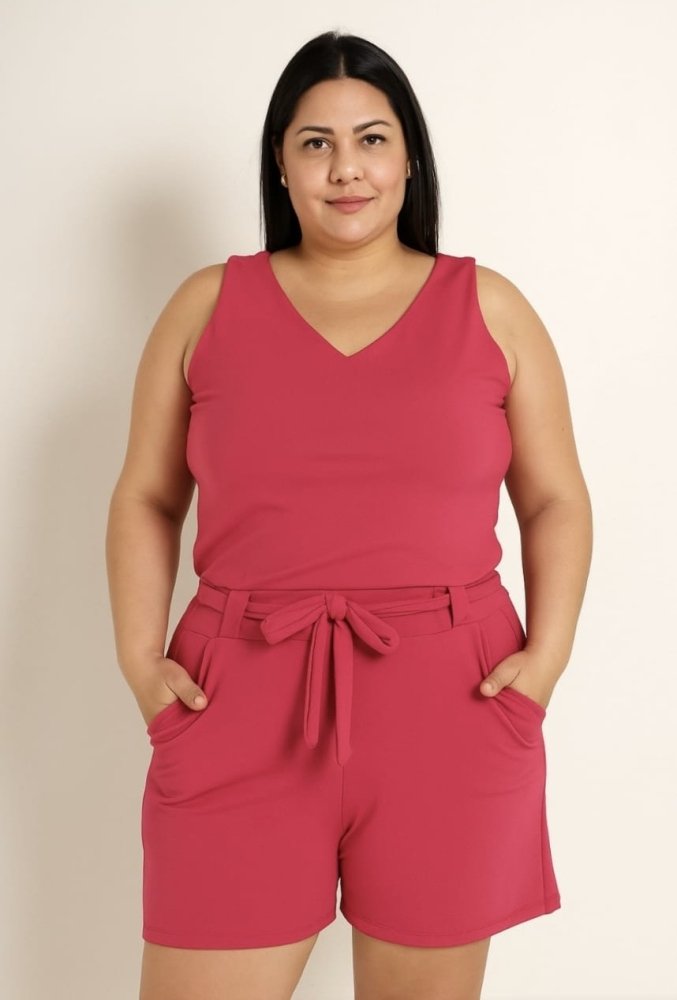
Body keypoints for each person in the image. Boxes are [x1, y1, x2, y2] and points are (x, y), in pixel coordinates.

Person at [105, 29, 593, 1000]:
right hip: (237, 695)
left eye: (371, 139)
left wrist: (543, 662)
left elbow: (553, 499)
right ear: (280, 164)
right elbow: (148, 496)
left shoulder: (490, 308)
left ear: (408, 159)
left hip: (450, 701)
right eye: (315, 143)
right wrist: (138, 658)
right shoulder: (206, 305)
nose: (345, 169)